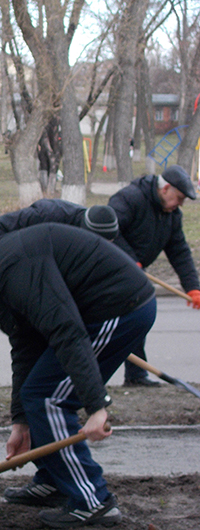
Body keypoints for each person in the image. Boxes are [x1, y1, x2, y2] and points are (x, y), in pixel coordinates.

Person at [0, 223, 156, 528]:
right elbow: (26, 348)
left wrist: (96, 406)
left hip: (120, 306)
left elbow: (66, 330)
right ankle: (55, 480)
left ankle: (94, 501)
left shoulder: (11, 271)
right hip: (91, 312)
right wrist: (20, 421)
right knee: (37, 394)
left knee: (48, 398)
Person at [0, 201, 120, 412]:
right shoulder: (49, 214)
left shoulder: (96, 231)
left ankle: (57, 393)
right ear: (86, 230)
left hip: (42, 276)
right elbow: (0, 226)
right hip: (7, 269)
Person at [108, 164, 200, 387]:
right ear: (165, 188)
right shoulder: (130, 198)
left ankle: (136, 376)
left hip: (133, 272)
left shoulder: (171, 216)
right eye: (178, 198)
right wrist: (130, 259)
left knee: (137, 316)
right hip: (107, 268)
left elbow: (179, 252)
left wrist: (193, 287)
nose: (179, 204)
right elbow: (109, 230)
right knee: (124, 318)